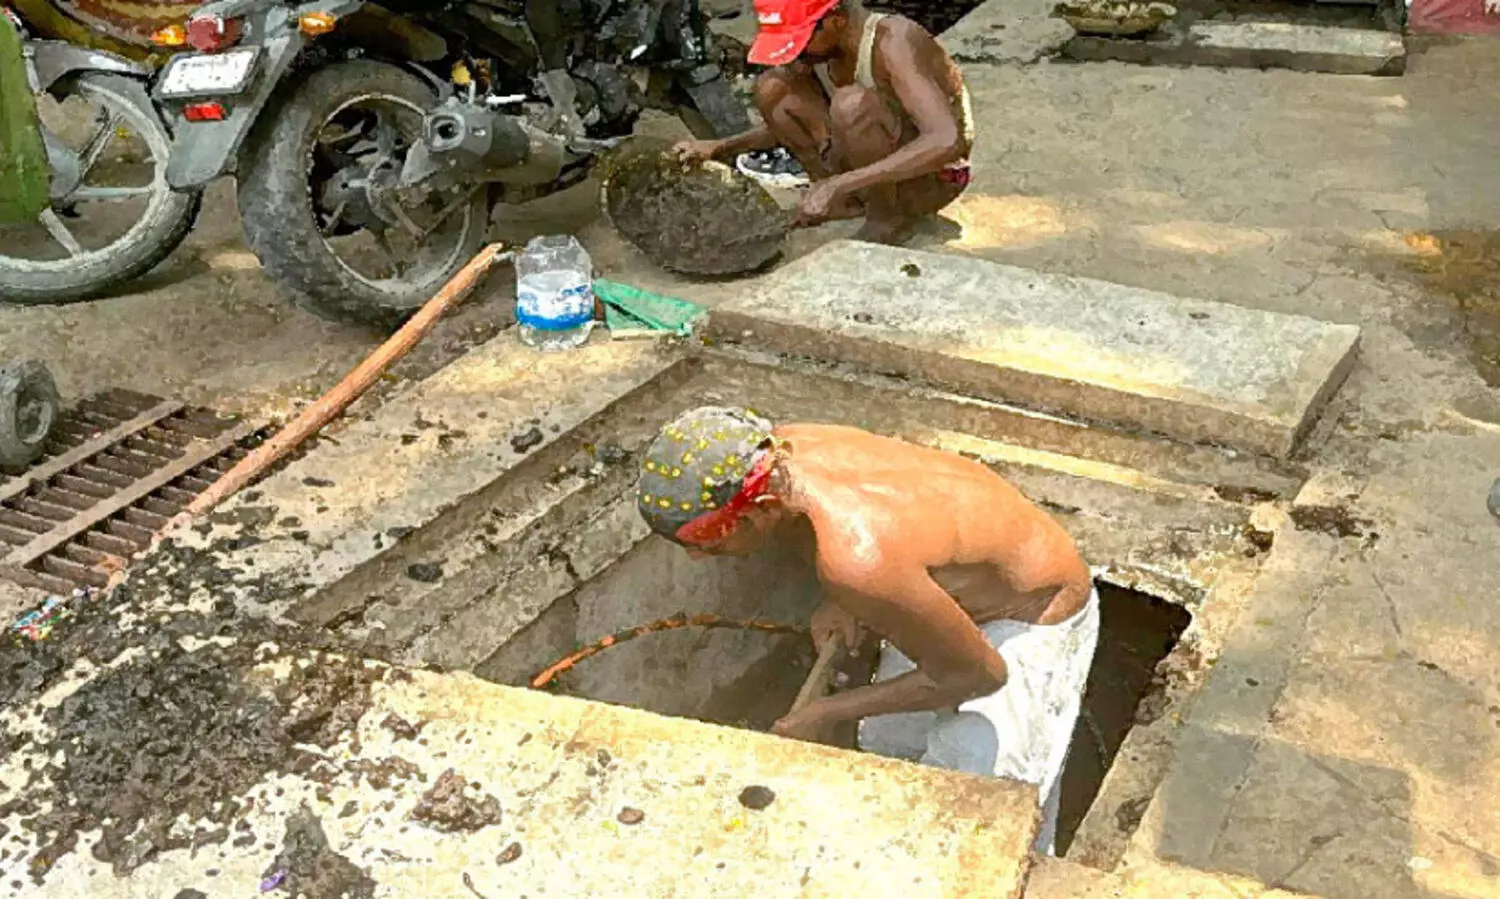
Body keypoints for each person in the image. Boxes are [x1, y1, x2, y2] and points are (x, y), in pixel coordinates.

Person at [635, 407, 1100, 855]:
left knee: (988, 810)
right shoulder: (785, 450)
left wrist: (824, 712)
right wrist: (838, 601)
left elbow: (979, 675)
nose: (697, 557)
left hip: (1032, 613)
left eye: (707, 542)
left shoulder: (859, 560)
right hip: (943, 597)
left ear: (761, 509)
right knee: (890, 744)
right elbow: (887, 534)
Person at [675, 0, 974, 246]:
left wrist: (841, 182)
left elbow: (946, 141)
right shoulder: (825, 51)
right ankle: (843, 203)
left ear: (836, 21)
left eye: (801, 41)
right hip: (867, 161)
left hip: (932, 179)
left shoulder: (894, 41)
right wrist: (720, 147)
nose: (797, 53)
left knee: (851, 105)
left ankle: (888, 219)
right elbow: (784, 128)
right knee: (773, 87)